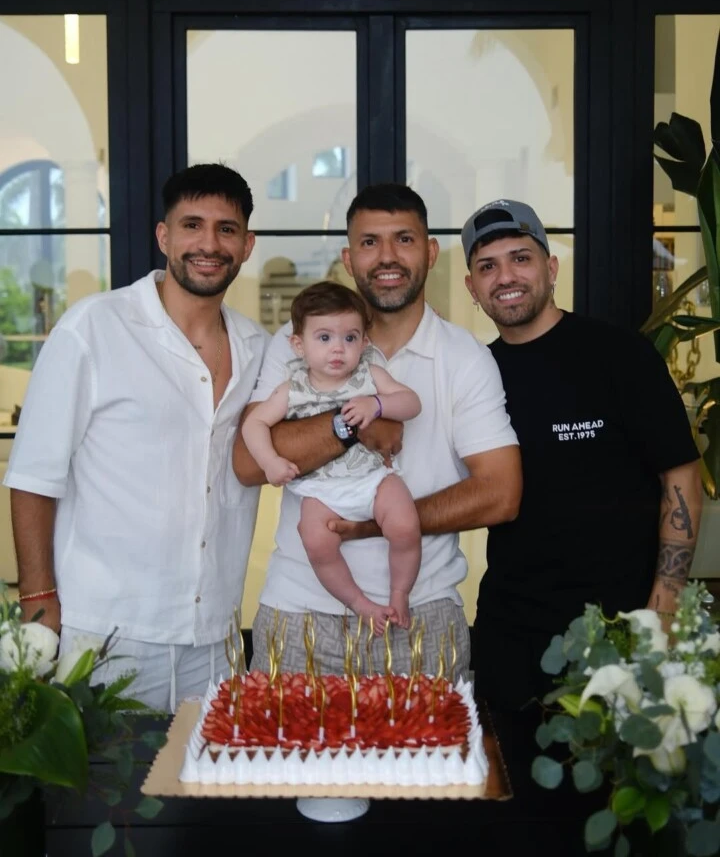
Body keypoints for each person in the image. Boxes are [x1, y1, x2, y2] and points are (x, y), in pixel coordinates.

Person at [461, 198, 702, 854]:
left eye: (520, 258)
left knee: (623, 820)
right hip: (512, 635)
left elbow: (680, 476)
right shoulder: (476, 375)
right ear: (472, 287)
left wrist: (663, 606)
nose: (506, 276)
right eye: (488, 266)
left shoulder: (617, 355)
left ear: (550, 267)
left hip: (620, 631)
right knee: (519, 821)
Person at [4, 163, 269, 712]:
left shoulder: (258, 348)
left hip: (215, 636)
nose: (209, 244)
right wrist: (38, 605)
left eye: (226, 229)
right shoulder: (92, 329)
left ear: (246, 245)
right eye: (192, 225)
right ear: (163, 236)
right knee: (101, 772)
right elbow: (33, 478)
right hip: (104, 634)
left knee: (206, 770)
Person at [234, 183, 521, 680]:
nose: (387, 256)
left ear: (431, 252)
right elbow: (245, 462)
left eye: (404, 239)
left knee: (434, 739)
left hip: (422, 614)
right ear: (348, 258)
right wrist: (348, 427)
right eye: (369, 242)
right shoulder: (298, 343)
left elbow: (501, 493)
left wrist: (375, 524)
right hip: (299, 612)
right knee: (283, 738)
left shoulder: (464, 356)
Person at [242, 280, 422, 631]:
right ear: (299, 345)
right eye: (324, 338)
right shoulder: (292, 388)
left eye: (350, 338)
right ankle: (359, 603)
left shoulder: (369, 376)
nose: (338, 348)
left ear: (364, 343)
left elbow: (412, 403)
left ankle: (400, 594)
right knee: (316, 541)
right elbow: (254, 424)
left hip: (372, 479)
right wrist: (270, 462)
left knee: (405, 526)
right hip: (321, 491)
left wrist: (378, 404)